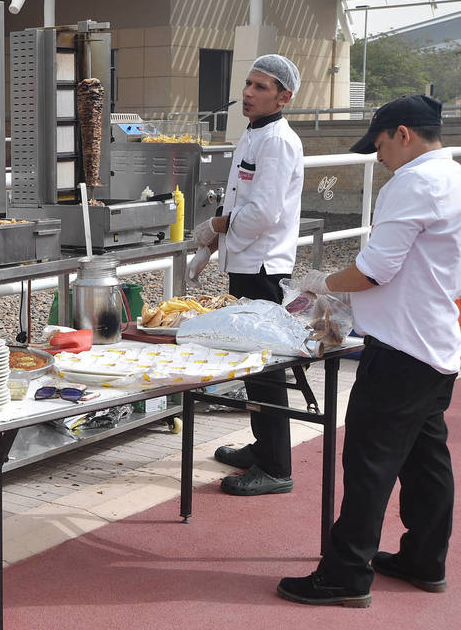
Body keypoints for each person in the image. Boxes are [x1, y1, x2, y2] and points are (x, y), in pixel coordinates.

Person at [277, 95, 460, 607]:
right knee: (426, 463)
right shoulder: (453, 177)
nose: (376, 156)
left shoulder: (413, 183)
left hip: (400, 349)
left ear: (403, 134)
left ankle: (344, 575)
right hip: (437, 345)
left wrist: (322, 283)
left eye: (378, 144)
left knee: (368, 463)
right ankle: (424, 560)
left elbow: (375, 269)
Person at [187, 54, 304, 496]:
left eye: (260, 87)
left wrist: (215, 228)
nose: (248, 93)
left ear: (284, 96)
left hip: (263, 267)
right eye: (248, 84)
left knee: (267, 364)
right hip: (244, 261)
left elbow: (262, 214)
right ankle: (262, 446)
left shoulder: (278, 141)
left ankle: (276, 467)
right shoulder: (253, 134)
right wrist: (212, 245)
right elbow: (240, 198)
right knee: (252, 363)